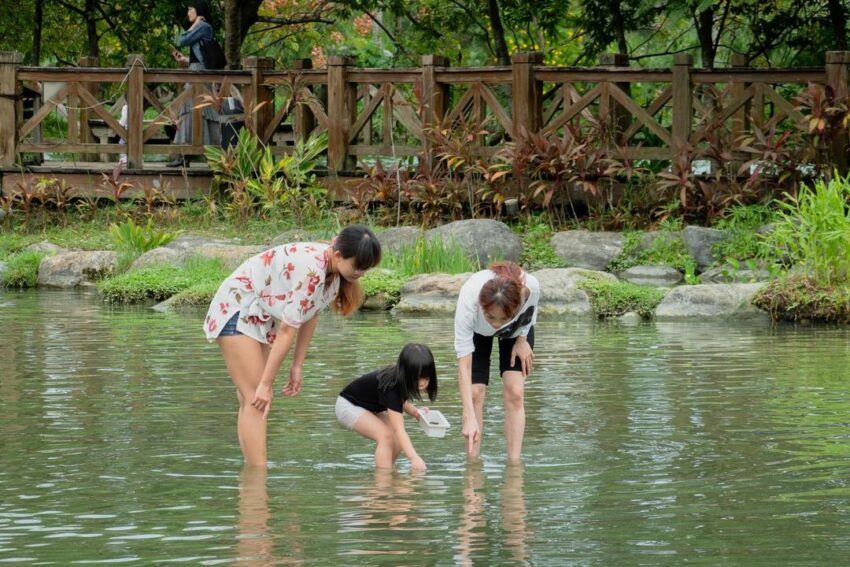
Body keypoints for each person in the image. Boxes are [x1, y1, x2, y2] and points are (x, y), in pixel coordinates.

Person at [205, 225, 382, 467]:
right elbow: (287, 330)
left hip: (260, 315)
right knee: (256, 398)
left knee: (253, 399)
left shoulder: (332, 275)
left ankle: (251, 479)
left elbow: (311, 314)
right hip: (238, 305)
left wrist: (297, 365)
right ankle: (257, 480)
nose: (360, 273)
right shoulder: (312, 270)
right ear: (339, 255)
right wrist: (266, 385)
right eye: (357, 267)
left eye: (365, 269)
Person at [454, 261, 539, 463]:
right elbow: (464, 367)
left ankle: (514, 465)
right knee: (475, 395)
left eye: (502, 319)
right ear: (482, 305)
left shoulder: (530, 286)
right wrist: (468, 414)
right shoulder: (469, 298)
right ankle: (473, 465)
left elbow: (531, 309)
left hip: (515, 332)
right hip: (477, 331)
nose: (496, 324)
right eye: (491, 317)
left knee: (515, 392)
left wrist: (522, 339)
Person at [335, 343, 438, 470]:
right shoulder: (392, 386)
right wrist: (414, 458)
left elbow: (399, 401)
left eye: (426, 378)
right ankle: (382, 482)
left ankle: (389, 471)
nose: (422, 383)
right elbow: (399, 429)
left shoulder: (400, 380)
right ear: (405, 373)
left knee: (398, 442)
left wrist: (415, 412)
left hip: (368, 407)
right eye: (417, 378)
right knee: (386, 437)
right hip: (348, 405)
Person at [168, 1, 221, 167]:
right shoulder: (202, 28)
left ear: (199, 11)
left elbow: (181, 40)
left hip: (199, 75)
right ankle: (188, 155)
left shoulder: (203, 26)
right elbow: (200, 55)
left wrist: (196, 23)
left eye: (191, 9)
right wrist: (185, 60)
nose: (188, 13)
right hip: (196, 70)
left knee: (198, 111)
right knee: (194, 111)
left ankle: (207, 155)